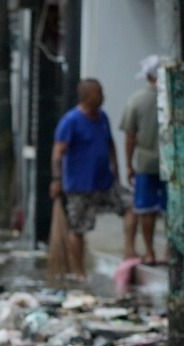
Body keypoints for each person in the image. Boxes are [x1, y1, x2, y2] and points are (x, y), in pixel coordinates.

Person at [51, 79, 130, 279]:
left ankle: (129, 251)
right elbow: (58, 153)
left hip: (104, 182)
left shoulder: (102, 117)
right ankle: (79, 273)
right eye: (99, 93)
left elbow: (110, 144)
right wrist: (57, 179)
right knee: (77, 228)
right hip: (79, 186)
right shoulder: (71, 121)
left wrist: (117, 173)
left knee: (131, 207)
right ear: (88, 96)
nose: (103, 96)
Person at [120, 55, 164, 264]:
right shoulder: (175, 98)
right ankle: (173, 252)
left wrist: (129, 165)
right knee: (171, 209)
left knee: (146, 210)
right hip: (173, 164)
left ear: (148, 76)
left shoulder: (136, 101)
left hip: (145, 163)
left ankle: (150, 252)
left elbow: (130, 137)